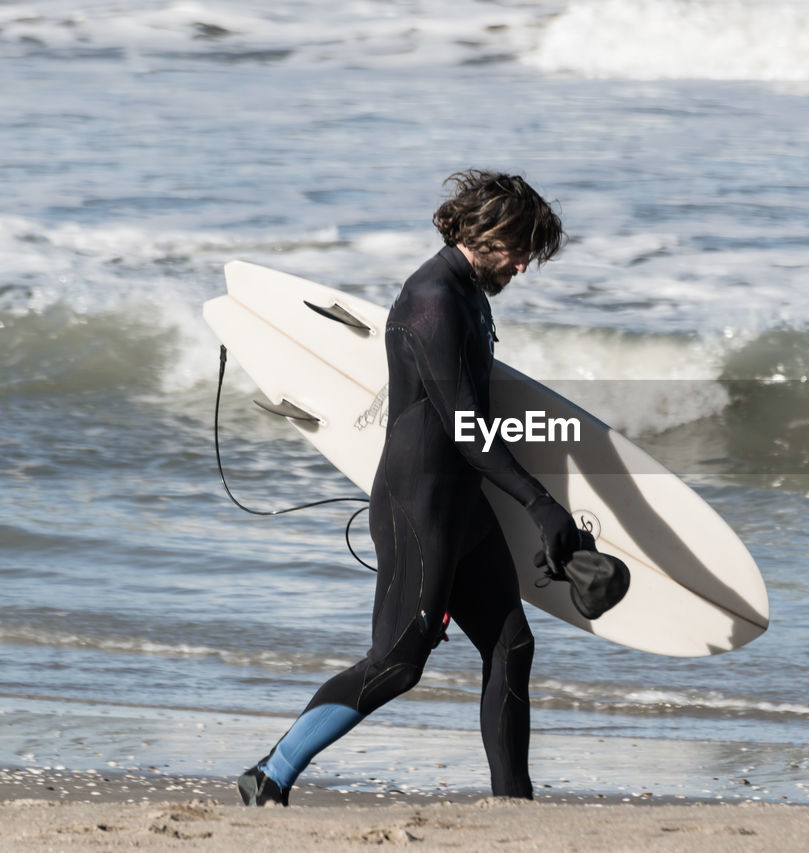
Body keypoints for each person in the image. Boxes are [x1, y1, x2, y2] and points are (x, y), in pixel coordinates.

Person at [237, 170, 580, 806]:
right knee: (397, 662)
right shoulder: (434, 298)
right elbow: (467, 428)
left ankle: (515, 805)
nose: (524, 267)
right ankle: (271, 772)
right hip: (418, 505)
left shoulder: (468, 292)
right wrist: (541, 506)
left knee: (512, 644)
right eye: (520, 250)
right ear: (488, 233)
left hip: (461, 502)